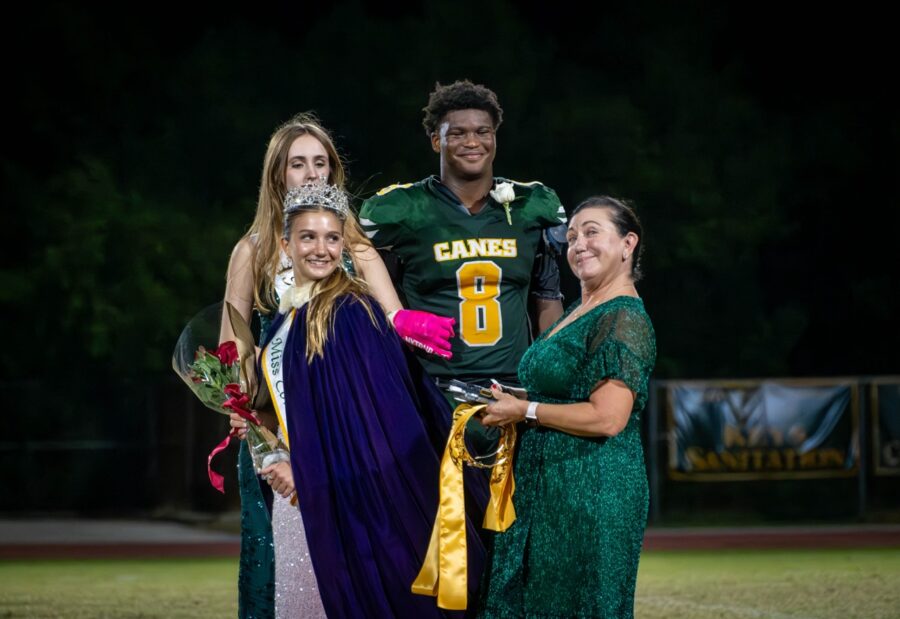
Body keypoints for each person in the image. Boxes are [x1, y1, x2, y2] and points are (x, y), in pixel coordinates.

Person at [221, 113, 454, 618]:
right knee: (274, 555)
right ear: (277, 174)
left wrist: (410, 324)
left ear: (333, 173)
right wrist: (243, 417)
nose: (310, 173)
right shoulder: (253, 250)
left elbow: (392, 320)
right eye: (297, 163)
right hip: (275, 420)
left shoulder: (354, 246)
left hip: (347, 423)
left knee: (361, 545)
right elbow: (230, 354)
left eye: (320, 163)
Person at [253, 182, 485, 617]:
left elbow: (376, 424)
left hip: (369, 503)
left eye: (332, 237)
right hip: (330, 492)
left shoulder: (351, 310)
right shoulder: (292, 314)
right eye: (308, 237)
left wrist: (305, 468)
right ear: (286, 244)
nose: (321, 249)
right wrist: (271, 446)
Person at [474, 196, 656, 618]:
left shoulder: (623, 317)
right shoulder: (579, 310)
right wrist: (513, 400)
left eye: (593, 232)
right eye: (572, 236)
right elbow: (564, 395)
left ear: (628, 244)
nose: (579, 244)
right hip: (548, 483)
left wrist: (527, 411)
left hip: (592, 488)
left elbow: (608, 417)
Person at [359, 79, 567, 400]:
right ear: (436, 141)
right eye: (457, 133)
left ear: (495, 138)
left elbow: (548, 296)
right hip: (432, 391)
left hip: (514, 391)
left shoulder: (531, 205)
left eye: (483, 132)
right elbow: (359, 276)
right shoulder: (403, 209)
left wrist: (549, 380)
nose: (472, 142)